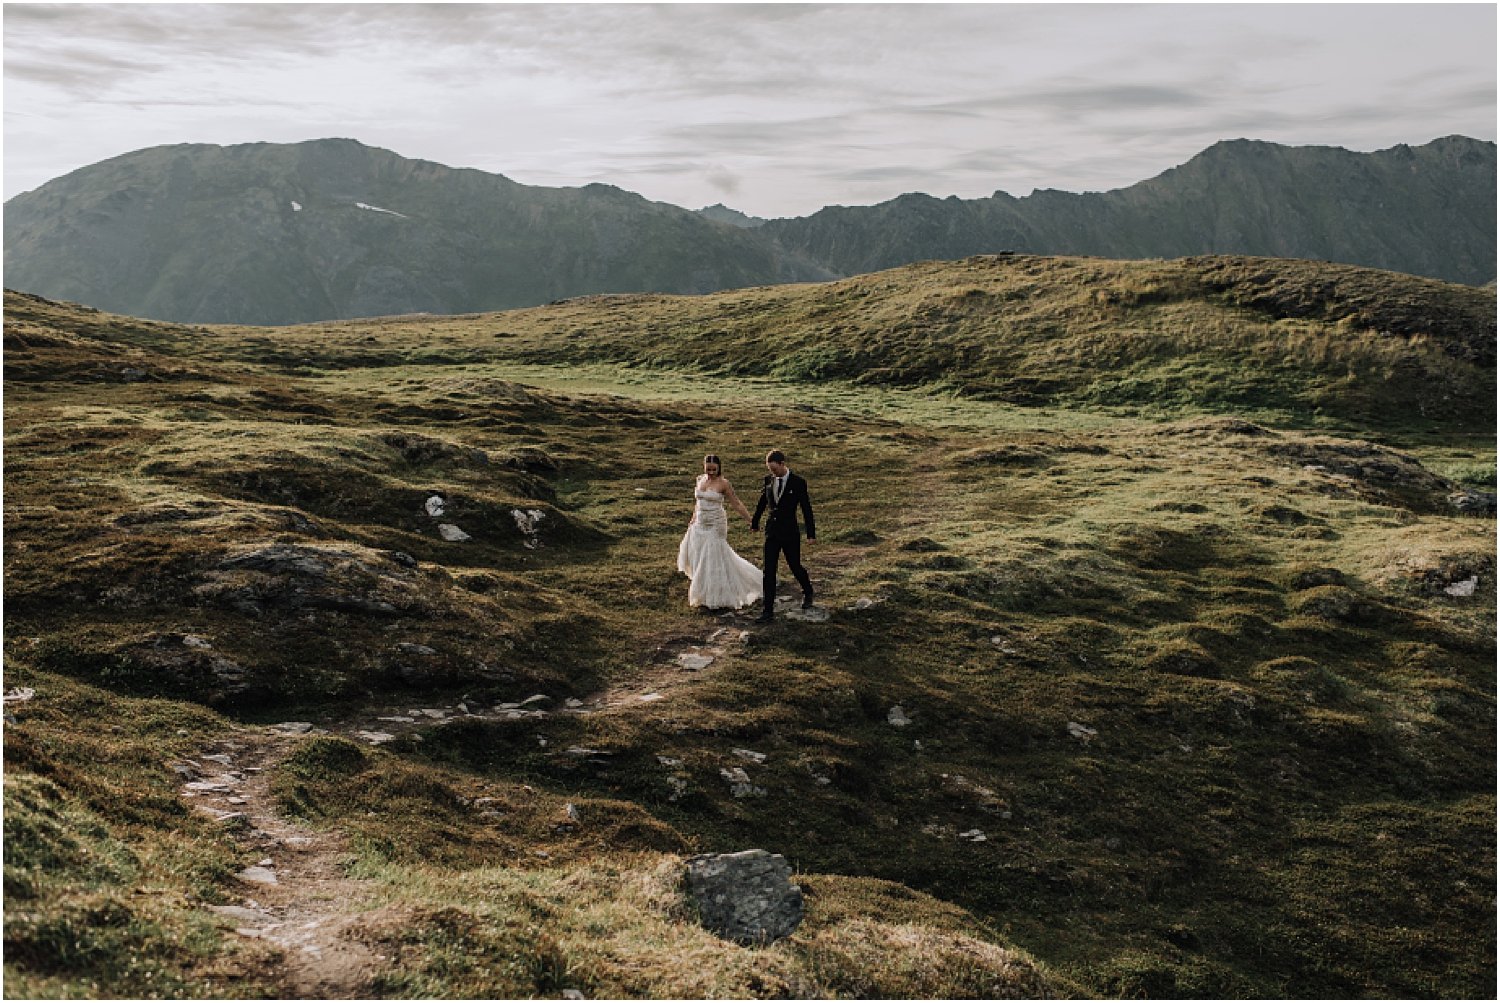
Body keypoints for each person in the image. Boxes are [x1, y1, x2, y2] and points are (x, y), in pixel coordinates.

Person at [676, 454, 762, 610]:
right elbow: (698, 502)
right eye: (708, 469)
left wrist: (751, 520)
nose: (710, 472)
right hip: (700, 523)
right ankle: (703, 590)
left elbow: (736, 503)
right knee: (699, 555)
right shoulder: (700, 480)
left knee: (713, 555)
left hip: (716, 523)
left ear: (719, 468)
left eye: (713, 469)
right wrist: (693, 518)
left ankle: (717, 593)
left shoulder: (724, 484)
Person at [750, 449, 815, 623]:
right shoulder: (768, 480)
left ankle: (808, 591)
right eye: (770, 470)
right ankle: (768, 611)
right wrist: (755, 521)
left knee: (794, 565)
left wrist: (811, 533)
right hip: (772, 532)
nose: (773, 473)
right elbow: (763, 502)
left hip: (790, 533)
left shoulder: (798, 482)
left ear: (782, 464)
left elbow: (806, 508)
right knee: (769, 571)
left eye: (775, 469)